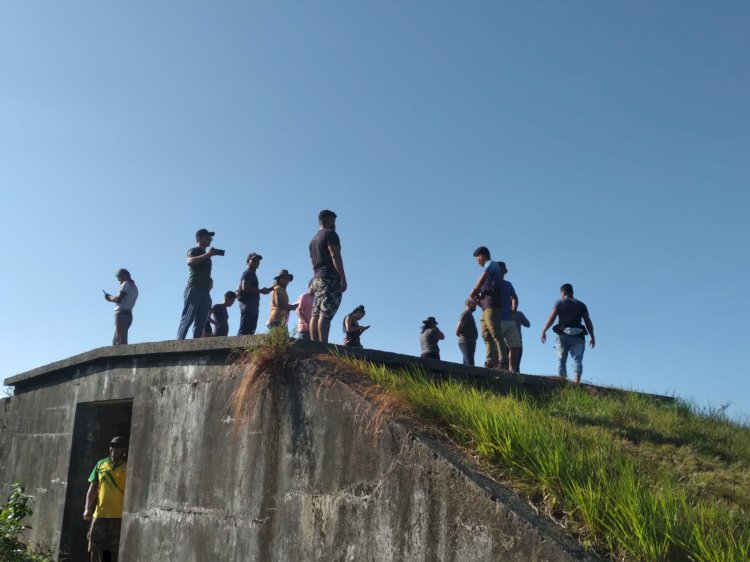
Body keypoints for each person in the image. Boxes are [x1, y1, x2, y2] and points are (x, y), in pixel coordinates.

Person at [83, 436, 128, 562]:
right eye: (112, 446)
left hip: (119, 516)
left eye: (117, 447)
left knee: (115, 549)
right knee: (95, 547)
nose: (114, 449)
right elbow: (92, 488)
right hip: (100, 514)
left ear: (124, 449)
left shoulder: (128, 466)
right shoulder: (101, 464)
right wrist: (87, 508)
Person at [540, 283, 596, 383]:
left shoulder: (560, 302)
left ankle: (562, 382)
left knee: (561, 360)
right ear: (572, 292)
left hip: (562, 335)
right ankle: (577, 382)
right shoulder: (581, 305)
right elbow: (588, 321)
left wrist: (544, 330)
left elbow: (552, 317)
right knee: (577, 359)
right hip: (578, 336)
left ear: (563, 292)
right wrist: (592, 336)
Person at [177, 228, 223, 339]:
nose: (210, 240)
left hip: (205, 291)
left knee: (201, 322)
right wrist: (208, 255)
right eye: (207, 237)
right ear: (199, 238)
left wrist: (210, 282)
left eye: (210, 238)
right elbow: (190, 262)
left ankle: (196, 344)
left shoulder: (208, 257)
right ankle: (178, 343)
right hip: (194, 289)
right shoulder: (194, 250)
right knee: (188, 318)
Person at [309, 209, 347, 343]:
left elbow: (313, 263)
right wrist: (342, 277)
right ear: (326, 220)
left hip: (318, 278)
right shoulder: (331, 234)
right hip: (330, 278)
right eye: (333, 220)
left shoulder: (313, 240)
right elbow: (335, 255)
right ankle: (322, 344)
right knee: (325, 314)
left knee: (316, 312)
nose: (335, 224)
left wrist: (313, 280)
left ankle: (314, 343)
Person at [469, 246, 505, 370]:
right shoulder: (488, 270)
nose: (477, 261)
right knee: (486, 335)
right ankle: (490, 362)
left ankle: (503, 361)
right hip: (485, 307)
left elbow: (481, 280)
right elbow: (485, 288)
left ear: (482, 255)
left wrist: (474, 291)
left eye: (477, 258)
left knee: (496, 333)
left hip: (492, 305)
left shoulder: (491, 264)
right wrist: (478, 300)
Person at [237, 253, 272, 336]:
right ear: (248, 261)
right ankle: (238, 349)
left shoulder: (252, 274)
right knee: (245, 331)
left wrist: (262, 291)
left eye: (258, 260)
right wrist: (260, 291)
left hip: (253, 307)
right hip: (248, 306)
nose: (257, 262)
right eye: (254, 260)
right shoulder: (247, 273)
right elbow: (244, 287)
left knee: (250, 331)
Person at [497, 264, 522, 373]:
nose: (501, 272)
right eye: (499, 270)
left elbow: (515, 297)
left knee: (515, 345)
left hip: (509, 319)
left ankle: (512, 369)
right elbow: (477, 297)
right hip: (497, 318)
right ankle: (497, 366)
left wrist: (514, 308)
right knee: (496, 343)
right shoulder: (490, 282)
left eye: (503, 270)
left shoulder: (508, 284)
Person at [103, 269, 138, 345]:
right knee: (118, 340)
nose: (119, 282)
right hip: (128, 315)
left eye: (120, 278)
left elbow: (119, 299)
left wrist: (110, 298)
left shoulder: (126, 284)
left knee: (119, 341)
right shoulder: (135, 288)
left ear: (125, 275)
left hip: (121, 314)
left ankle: (123, 356)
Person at [455, 299, 478, 366]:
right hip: (466, 342)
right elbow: (458, 328)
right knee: (470, 363)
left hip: (470, 342)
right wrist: (462, 336)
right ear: (468, 304)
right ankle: (470, 376)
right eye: (473, 304)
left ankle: (465, 376)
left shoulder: (469, 314)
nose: (475, 306)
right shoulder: (466, 313)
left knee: (467, 363)